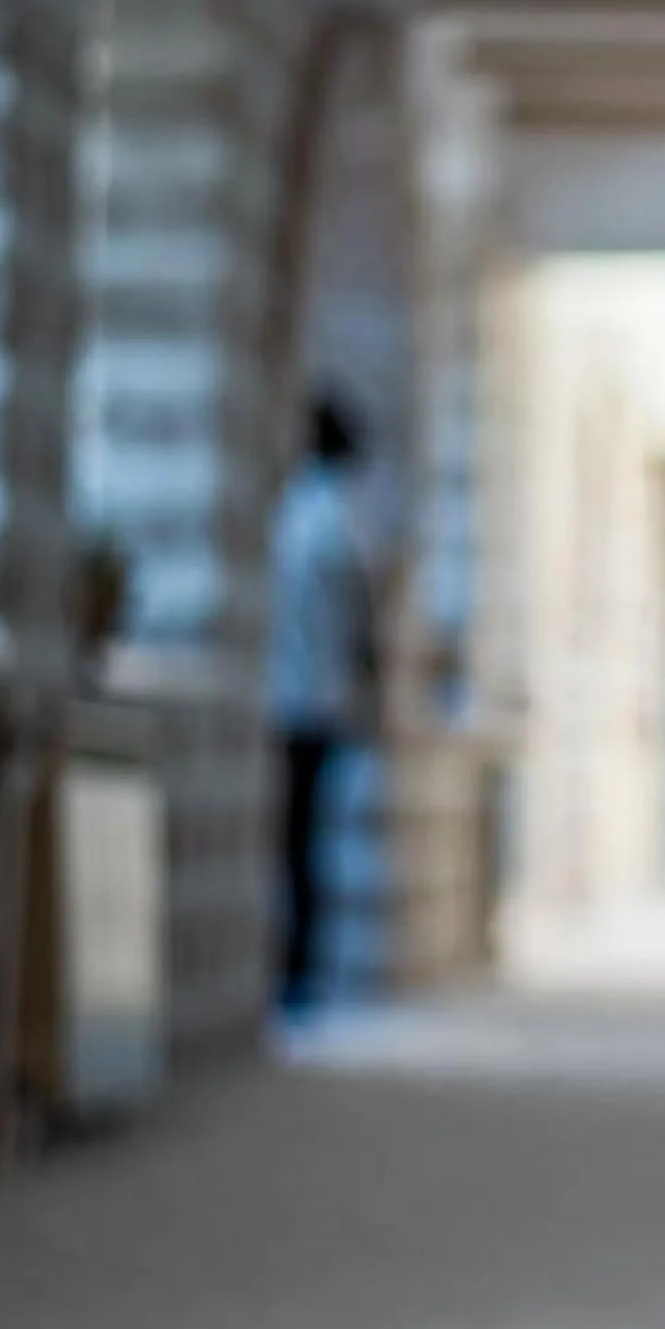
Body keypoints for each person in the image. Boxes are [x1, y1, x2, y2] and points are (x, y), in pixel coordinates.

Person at [269, 390, 378, 1015]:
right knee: (306, 841)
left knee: (301, 842)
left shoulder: (311, 514)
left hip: (304, 700)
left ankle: (302, 971)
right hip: (319, 697)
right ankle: (304, 968)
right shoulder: (338, 516)